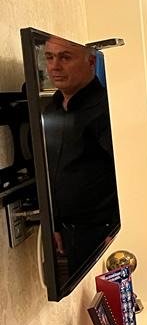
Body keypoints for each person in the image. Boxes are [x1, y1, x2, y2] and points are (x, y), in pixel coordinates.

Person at [41, 35, 119, 284]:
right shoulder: (50, 109)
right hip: (66, 233)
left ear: (91, 62)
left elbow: (130, 173)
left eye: (65, 57)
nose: (55, 66)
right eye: (50, 57)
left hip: (103, 234)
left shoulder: (109, 107)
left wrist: (118, 229)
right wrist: (53, 223)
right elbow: (51, 171)